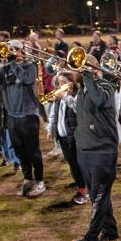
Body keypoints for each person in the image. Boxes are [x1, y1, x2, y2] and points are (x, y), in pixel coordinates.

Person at [70, 55, 120, 241]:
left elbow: (98, 100)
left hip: (102, 153)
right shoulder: (82, 89)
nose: (76, 73)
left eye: (79, 68)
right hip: (85, 151)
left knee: (98, 197)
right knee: (98, 195)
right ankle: (111, 230)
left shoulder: (105, 86)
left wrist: (89, 75)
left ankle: (91, 239)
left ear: (91, 69)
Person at [0, 39, 45, 197]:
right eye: (9, 49)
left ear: (20, 51)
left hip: (28, 116)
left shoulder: (30, 66)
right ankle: (28, 178)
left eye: (13, 49)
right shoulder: (5, 69)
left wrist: (12, 63)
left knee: (33, 151)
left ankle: (40, 181)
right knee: (20, 151)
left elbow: (26, 79)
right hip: (12, 117)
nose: (10, 52)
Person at [46, 71, 88, 205]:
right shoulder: (59, 97)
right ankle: (81, 188)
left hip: (75, 136)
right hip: (63, 136)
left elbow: (78, 108)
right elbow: (53, 114)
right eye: (59, 83)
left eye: (64, 82)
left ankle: (85, 190)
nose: (60, 85)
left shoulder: (77, 94)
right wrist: (51, 129)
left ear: (71, 82)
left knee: (80, 164)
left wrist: (65, 96)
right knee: (72, 165)